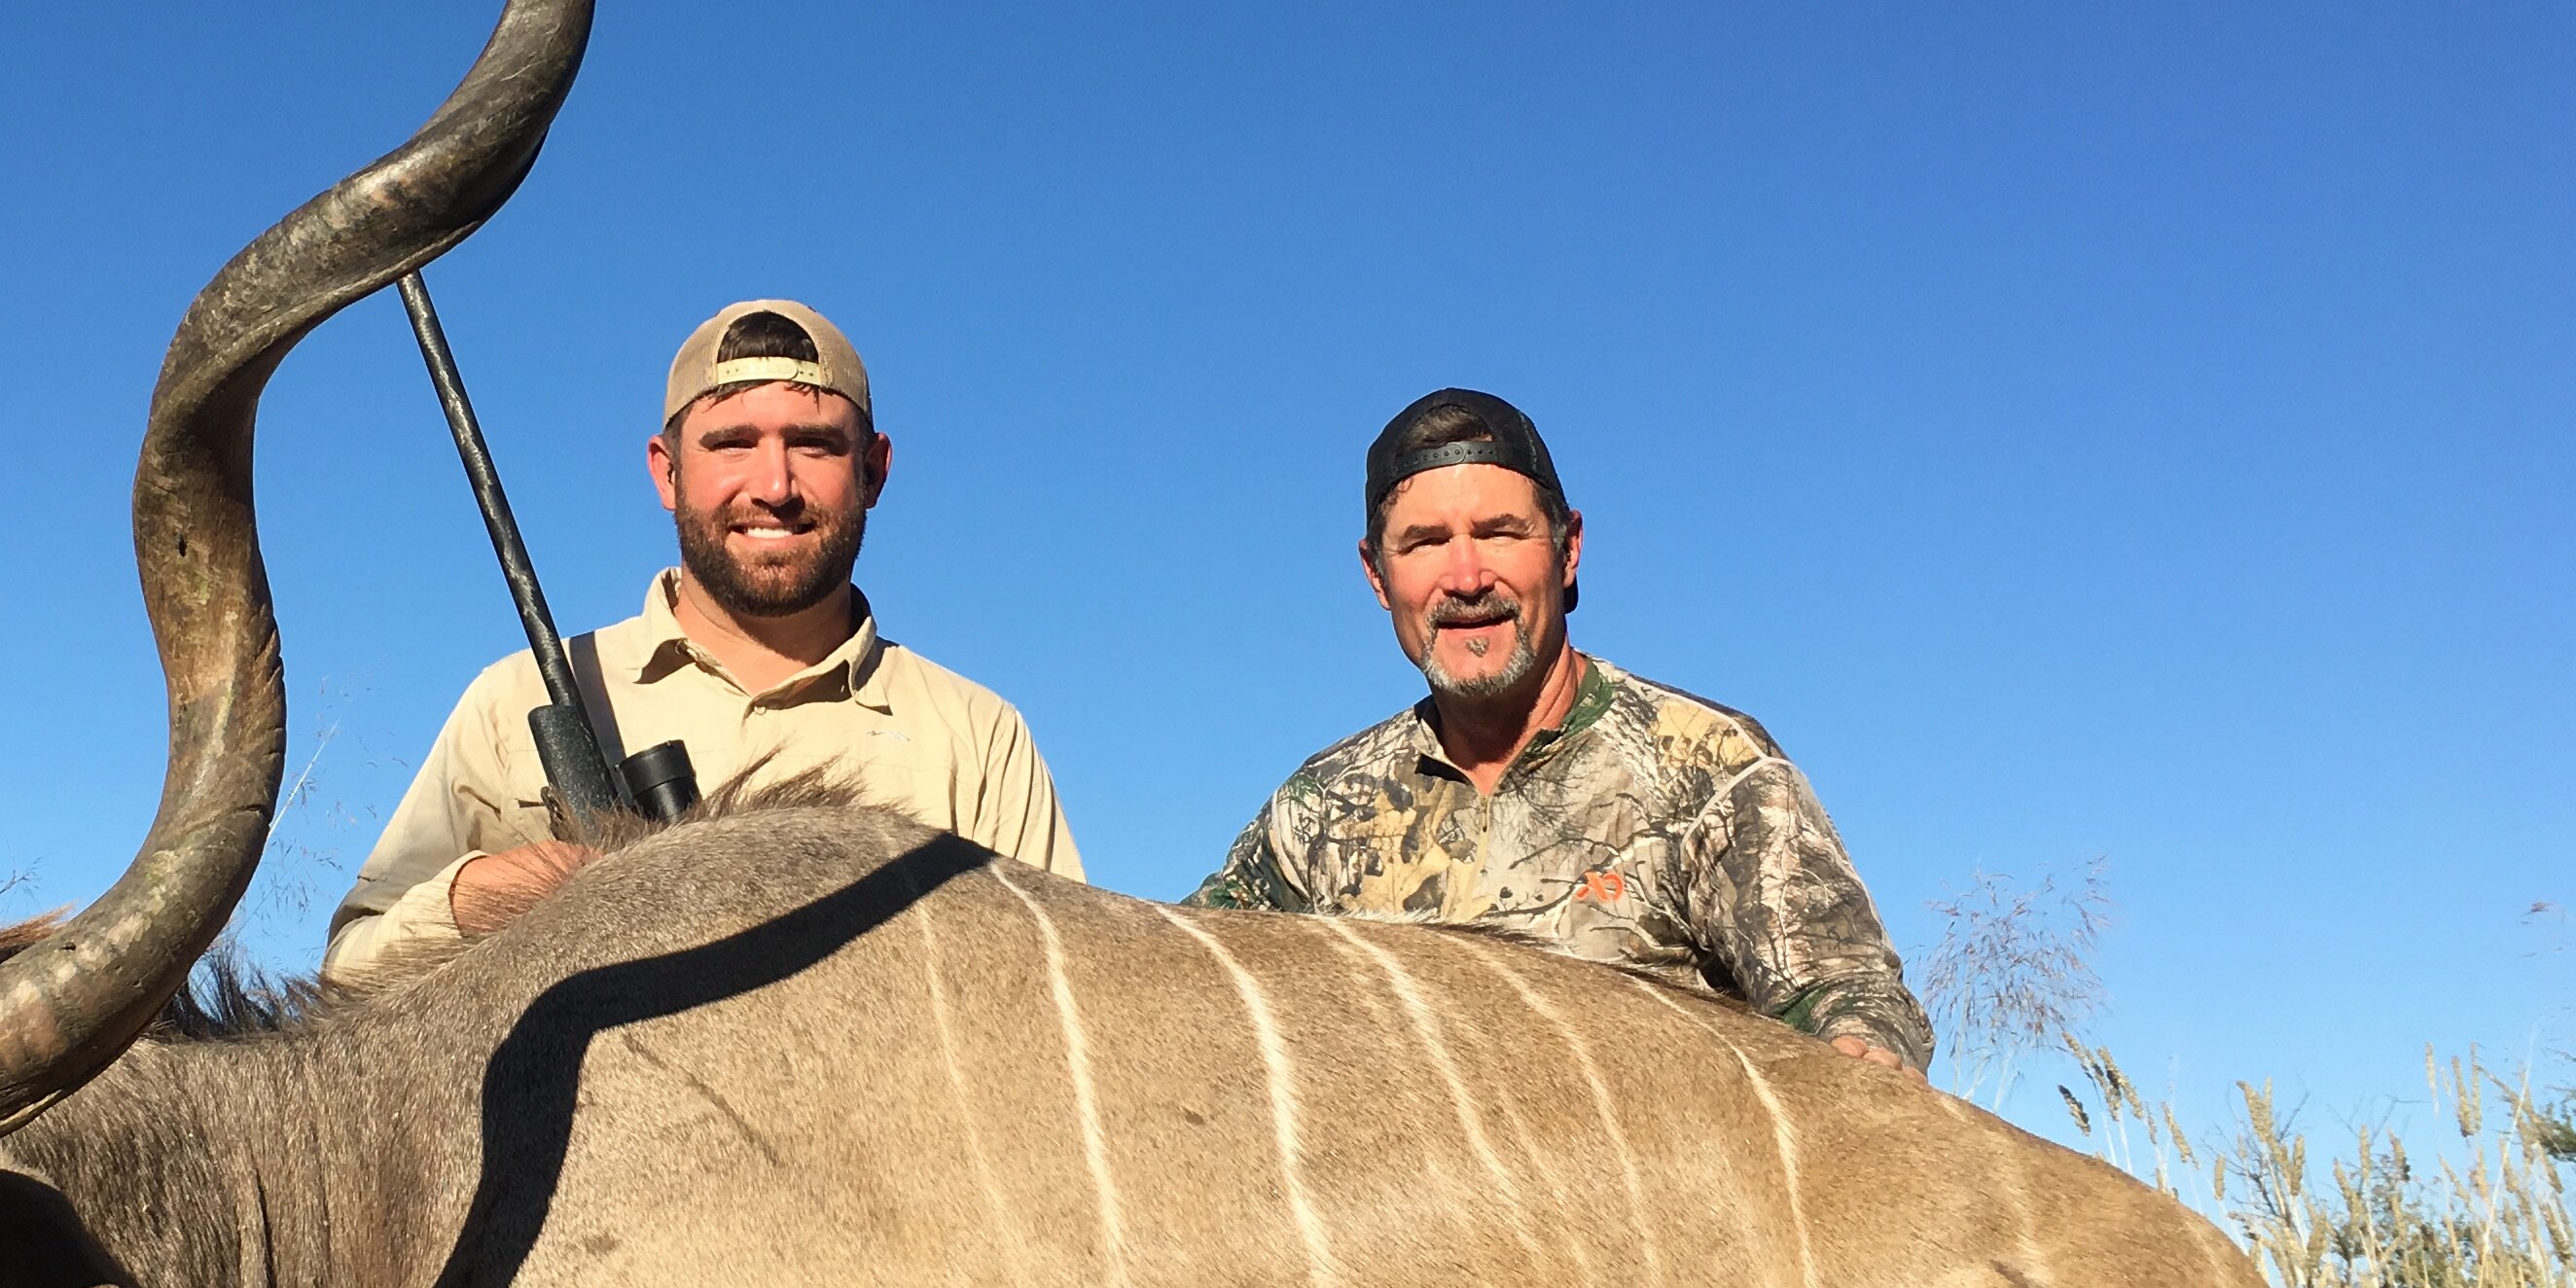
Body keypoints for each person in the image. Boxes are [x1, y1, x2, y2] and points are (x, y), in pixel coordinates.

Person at [324, 299, 1081, 984]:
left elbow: (1066, 991)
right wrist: (485, 897)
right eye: (732, 444)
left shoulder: (980, 739)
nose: (774, 485)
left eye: (813, 445)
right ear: (667, 473)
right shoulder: (517, 699)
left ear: (874, 471)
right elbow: (348, 974)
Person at [1193, 387, 1932, 1069]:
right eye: (1423, 543)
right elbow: (1189, 982)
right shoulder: (1321, 811)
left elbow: (1846, 992)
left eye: (1499, 533)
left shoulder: (1706, 766)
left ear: (1567, 548)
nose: (1467, 577)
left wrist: (1858, 1046)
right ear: (1377, 576)